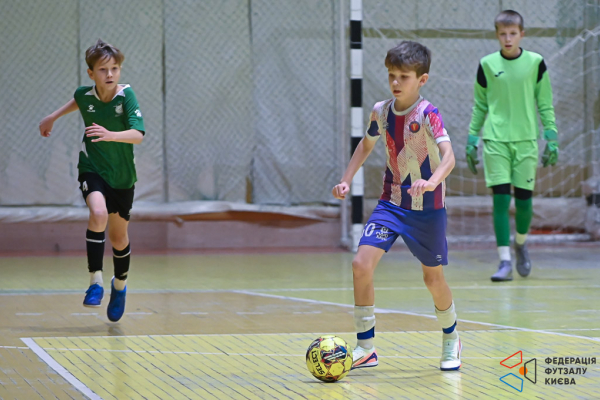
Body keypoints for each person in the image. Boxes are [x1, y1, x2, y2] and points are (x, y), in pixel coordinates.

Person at [332, 41, 461, 371]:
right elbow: (366, 144)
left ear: (422, 80)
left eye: (404, 76)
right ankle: (366, 347)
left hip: (428, 210)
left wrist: (432, 182)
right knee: (361, 264)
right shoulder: (381, 111)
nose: (395, 82)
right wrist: (346, 179)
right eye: (391, 75)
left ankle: (451, 338)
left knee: (433, 280)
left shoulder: (429, 114)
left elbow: (449, 157)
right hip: (391, 204)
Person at [39, 39, 145, 321]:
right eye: (103, 70)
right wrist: (53, 116)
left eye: (114, 68)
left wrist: (111, 135)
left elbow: (138, 135)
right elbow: (81, 100)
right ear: (91, 73)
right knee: (98, 213)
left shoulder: (126, 96)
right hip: (92, 167)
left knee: (118, 237)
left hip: (122, 176)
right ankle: (95, 282)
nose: (109, 74)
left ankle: (119, 286)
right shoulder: (85, 95)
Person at [466, 10, 558, 282]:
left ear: (522, 34)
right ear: (497, 35)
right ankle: (504, 261)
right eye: (503, 34)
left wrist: (551, 136)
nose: (508, 39)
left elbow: (545, 103)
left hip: (526, 140)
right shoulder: (486, 64)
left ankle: (520, 242)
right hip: (495, 141)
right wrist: (472, 138)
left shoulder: (536, 63)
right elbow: (480, 105)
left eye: (513, 34)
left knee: (524, 202)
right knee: (501, 200)